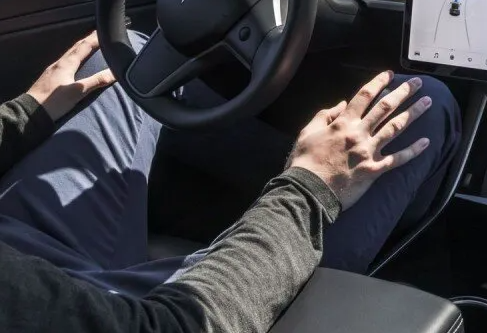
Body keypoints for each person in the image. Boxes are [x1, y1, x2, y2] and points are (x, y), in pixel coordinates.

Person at [0, 30, 461, 332]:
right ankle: (317, 221)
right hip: (125, 313)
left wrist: (24, 114)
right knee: (426, 104)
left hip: (20, 252)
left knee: (126, 61)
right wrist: (310, 187)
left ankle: (294, 189)